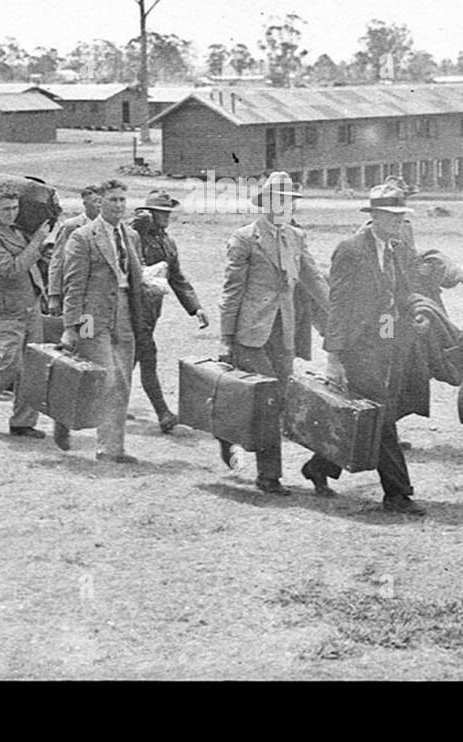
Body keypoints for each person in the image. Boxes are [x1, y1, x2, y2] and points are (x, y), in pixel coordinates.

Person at [305, 181, 425, 512]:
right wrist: (334, 358)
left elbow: (397, 294)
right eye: (392, 216)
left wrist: (412, 317)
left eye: (402, 215)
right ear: (374, 216)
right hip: (356, 347)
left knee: (369, 416)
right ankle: (398, 494)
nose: (399, 222)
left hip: (384, 343)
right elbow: (339, 304)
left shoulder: (396, 248)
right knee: (383, 417)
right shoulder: (351, 250)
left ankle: (320, 466)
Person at [217, 171, 329, 495]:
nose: (285, 207)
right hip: (250, 334)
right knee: (266, 402)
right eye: (279, 200)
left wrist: (339, 315)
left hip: (284, 332)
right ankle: (269, 477)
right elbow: (231, 292)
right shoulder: (244, 238)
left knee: (277, 401)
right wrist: (226, 339)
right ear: (265, 203)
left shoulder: (296, 237)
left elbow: (314, 280)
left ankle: (229, 435)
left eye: (290, 202)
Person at [59, 180, 146, 463]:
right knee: (102, 377)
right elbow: (73, 285)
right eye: (112, 200)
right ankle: (64, 421)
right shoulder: (83, 237)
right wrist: (72, 329)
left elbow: (135, 278)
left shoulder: (131, 236)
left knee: (122, 380)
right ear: (99, 203)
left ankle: (113, 448)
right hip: (90, 316)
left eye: (122, 200)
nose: (118, 205)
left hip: (124, 314)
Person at [0, 183, 51, 436]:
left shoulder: (16, 231)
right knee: (11, 362)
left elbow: (32, 261)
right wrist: (36, 242)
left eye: (15, 208)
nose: (11, 213)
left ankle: (23, 422)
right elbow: (12, 270)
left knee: (33, 366)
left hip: (30, 305)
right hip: (5, 310)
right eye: (5, 209)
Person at [129, 190, 210, 433]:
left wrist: (196, 308)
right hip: (131, 309)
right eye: (161, 213)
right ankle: (163, 413)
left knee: (130, 360)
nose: (166, 217)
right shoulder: (135, 235)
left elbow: (177, 278)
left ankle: (104, 403)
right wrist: (138, 224)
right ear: (148, 214)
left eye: (168, 213)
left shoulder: (167, 242)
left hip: (151, 310)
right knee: (147, 356)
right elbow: (123, 241)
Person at [47, 184, 104, 315]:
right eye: (96, 202)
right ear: (85, 204)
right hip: (79, 292)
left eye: (102, 201)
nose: (100, 206)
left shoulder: (112, 226)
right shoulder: (72, 227)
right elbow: (58, 260)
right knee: (85, 332)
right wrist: (53, 295)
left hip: (105, 294)